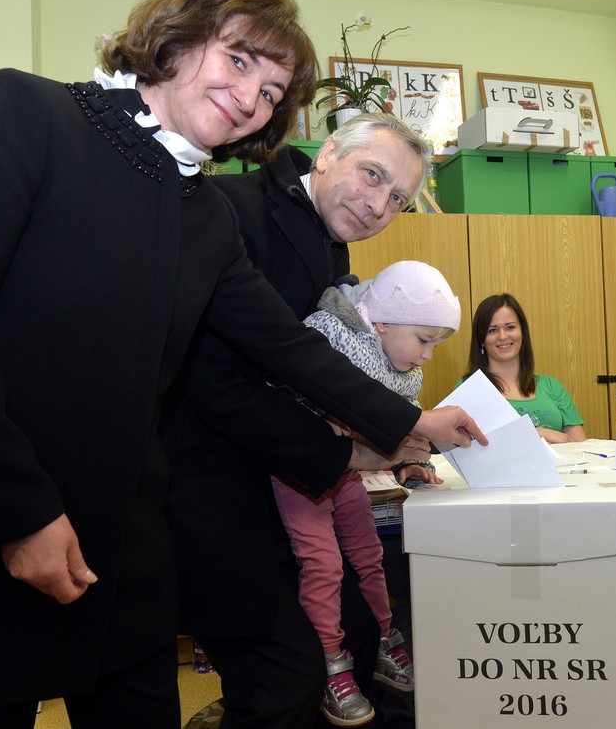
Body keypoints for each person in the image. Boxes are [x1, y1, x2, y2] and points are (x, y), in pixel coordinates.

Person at [0, 0, 485, 729]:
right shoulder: (29, 112)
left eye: (272, 92)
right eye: (239, 60)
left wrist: (411, 420)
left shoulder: (203, 212)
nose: (251, 98)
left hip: (121, 536)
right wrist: (20, 512)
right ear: (176, 39)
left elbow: (280, 343)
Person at [164, 112, 433, 729]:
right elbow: (225, 381)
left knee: (358, 632)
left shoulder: (330, 242)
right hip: (210, 491)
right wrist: (380, 437)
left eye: (398, 199)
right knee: (285, 678)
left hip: (283, 486)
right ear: (329, 152)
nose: (379, 206)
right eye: (372, 175)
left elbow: (322, 371)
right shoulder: (230, 209)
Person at [273, 261, 459, 727]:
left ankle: (385, 640)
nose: (427, 356)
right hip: (300, 475)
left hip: (349, 475)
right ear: (383, 322)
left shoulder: (399, 368)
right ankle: (333, 665)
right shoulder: (330, 341)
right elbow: (286, 394)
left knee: (369, 553)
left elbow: (398, 421)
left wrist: (407, 461)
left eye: (435, 345)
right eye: (423, 339)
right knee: (323, 564)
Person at [463, 293, 586, 443]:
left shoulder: (552, 386)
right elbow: (464, 448)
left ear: (522, 332)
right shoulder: (469, 388)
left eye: (510, 327)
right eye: (492, 330)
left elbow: (580, 446)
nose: (503, 336)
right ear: (481, 340)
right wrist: (536, 433)